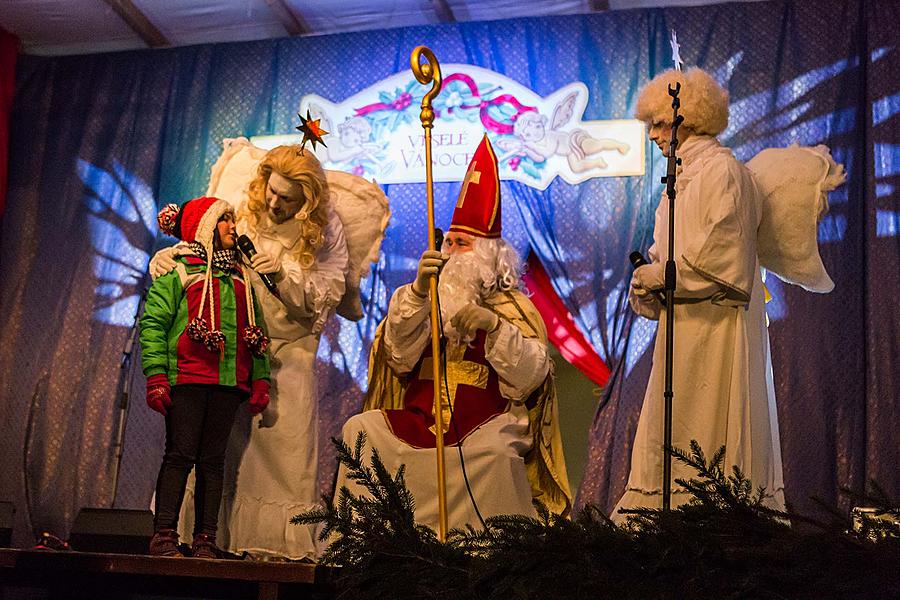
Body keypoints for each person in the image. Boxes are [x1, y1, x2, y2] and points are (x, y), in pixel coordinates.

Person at [337, 135, 571, 531]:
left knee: (496, 454)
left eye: (460, 243)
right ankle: (362, 546)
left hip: (486, 425)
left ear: (487, 254)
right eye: (447, 241)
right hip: (420, 420)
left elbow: (531, 378)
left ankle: (492, 556)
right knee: (360, 431)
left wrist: (492, 326)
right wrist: (416, 294)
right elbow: (397, 356)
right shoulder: (419, 298)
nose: (448, 249)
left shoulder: (512, 308)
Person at [152, 146, 349, 560]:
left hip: (290, 351)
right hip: (232, 346)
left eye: (287, 199)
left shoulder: (327, 231)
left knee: (284, 453)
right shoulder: (246, 208)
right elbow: (203, 248)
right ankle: (201, 536)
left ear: (308, 201)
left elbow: (322, 298)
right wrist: (172, 257)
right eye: (273, 192)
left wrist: (283, 276)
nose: (275, 203)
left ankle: (274, 550)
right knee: (207, 452)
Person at [613, 68, 786, 520]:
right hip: (682, 332)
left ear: (685, 119)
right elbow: (664, 255)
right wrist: (646, 283)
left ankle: (710, 523)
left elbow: (723, 262)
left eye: (656, 124)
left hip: (715, 330)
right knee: (672, 428)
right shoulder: (676, 183)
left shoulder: (723, 172)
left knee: (710, 428)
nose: (651, 136)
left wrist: (663, 277)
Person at [140, 196, 271, 558]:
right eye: (224, 219)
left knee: (213, 463)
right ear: (205, 227)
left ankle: (205, 540)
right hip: (188, 380)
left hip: (228, 384)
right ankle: (165, 535)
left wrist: (260, 379)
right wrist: (156, 376)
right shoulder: (179, 272)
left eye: (232, 218)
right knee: (180, 455)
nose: (233, 225)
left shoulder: (242, 275)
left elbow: (256, 329)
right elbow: (153, 325)